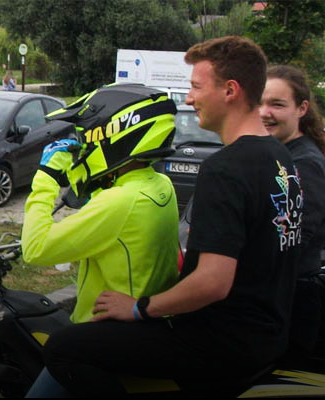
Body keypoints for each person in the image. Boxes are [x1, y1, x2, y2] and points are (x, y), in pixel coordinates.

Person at [30, 36, 303, 397]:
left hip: (218, 343)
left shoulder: (225, 169)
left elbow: (213, 282)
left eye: (195, 87)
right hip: (265, 335)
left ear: (231, 90)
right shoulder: (278, 155)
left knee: (62, 349)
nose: (189, 99)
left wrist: (140, 309)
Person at [21, 84, 180, 396]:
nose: (82, 147)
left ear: (113, 137)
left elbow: (35, 247)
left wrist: (45, 178)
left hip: (102, 334)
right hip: (143, 326)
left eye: (86, 138)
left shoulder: (120, 202)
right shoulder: (160, 184)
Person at [260, 64, 325, 361]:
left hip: (294, 302)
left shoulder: (305, 163)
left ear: (301, 108)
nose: (264, 112)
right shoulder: (281, 156)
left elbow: (293, 237)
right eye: (260, 102)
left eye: (277, 104)